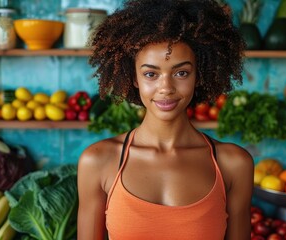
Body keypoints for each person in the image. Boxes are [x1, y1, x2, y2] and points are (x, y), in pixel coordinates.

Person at [77, 0, 254, 239]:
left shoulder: (234, 165)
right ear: (134, 78)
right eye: (151, 74)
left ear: (199, 76)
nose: (166, 88)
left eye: (181, 73)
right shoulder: (98, 161)